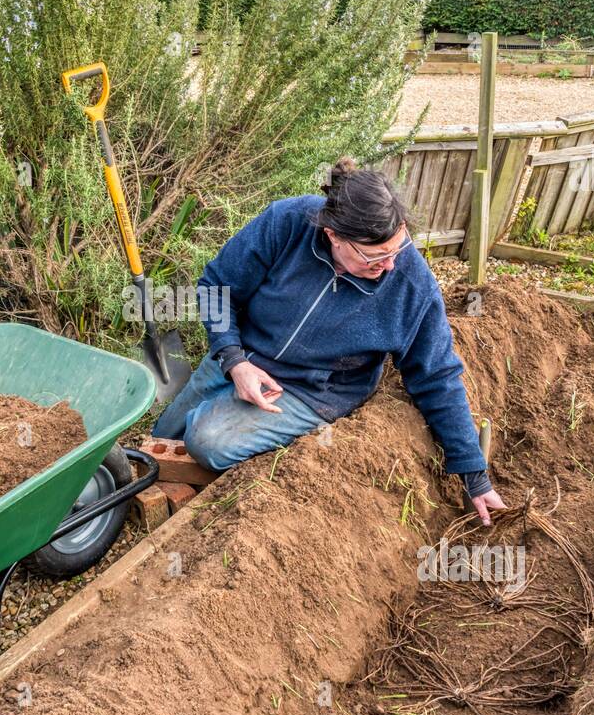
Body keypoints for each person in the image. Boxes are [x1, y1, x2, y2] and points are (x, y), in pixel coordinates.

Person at [153, 158, 506, 525]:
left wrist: (473, 472)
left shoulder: (412, 287)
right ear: (333, 235)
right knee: (162, 436)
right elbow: (217, 286)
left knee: (205, 440)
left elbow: (437, 376)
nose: (388, 266)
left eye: (396, 250)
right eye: (375, 256)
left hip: (310, 390)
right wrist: (233, 359)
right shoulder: (287, 221)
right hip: (243, 355)